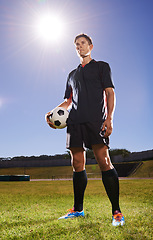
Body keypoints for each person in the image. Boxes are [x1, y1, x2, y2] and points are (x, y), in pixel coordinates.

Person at [45, 33, 125, 226]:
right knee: (77, 163)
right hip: (75, 122)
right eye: (76, 45)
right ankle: (78, 209)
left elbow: (110, 92)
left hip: (96, 119)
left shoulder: (101, 67)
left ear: (90, 46)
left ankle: (117, 212)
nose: (79, 47)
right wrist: (53, 112)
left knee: (104, 161)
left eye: (82, 43)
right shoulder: (71, 75)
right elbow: (68, 100)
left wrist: (110, 119)